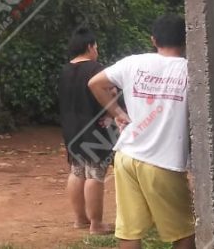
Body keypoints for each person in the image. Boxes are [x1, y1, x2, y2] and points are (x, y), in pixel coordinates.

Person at [88, 14, 195, 249]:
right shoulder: (191, 71)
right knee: (184, 233)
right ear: (185, 40)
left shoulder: (133, 63)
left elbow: (95, 83)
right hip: (164, 162)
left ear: (153, 40)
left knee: (129, 232)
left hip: (126, 156)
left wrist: (117, 112)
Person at [58, 26, 116, 235]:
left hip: (71, 129)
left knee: (76, 171)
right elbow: (111, 93)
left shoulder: (64, 71)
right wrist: (113, 113)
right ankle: (96, 224)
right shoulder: (95, 69)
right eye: (96, 46)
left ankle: (80, 220)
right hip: (95, 129)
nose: (97, 50)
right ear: (90, 46)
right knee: (95, 174)